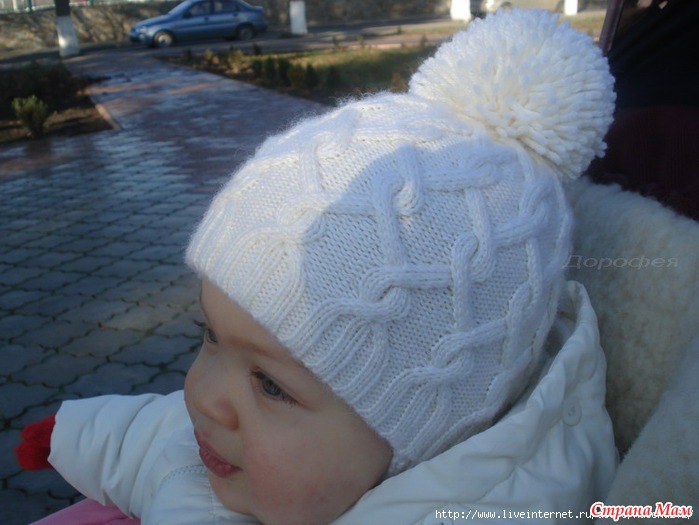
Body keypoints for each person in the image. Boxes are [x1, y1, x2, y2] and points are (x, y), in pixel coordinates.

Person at [16, 9, 618, 525]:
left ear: (427, 440)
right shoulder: (255, 457)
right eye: (209, 335)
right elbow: (165, 443)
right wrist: (82, 435)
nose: (201, 395)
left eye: (270, 385)